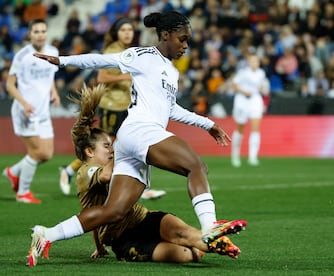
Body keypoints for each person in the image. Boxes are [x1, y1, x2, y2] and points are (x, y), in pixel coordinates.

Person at [29, 10, 247, 265]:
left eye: (188, 40)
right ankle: (210, 226)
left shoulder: (171, 71)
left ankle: (46, 235)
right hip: (141, 130)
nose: (186, 45)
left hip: (133, 139)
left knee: (114, 211)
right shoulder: (143, 56)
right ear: (165, 35)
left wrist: (207, 124)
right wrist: (62, 61)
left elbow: (170, 108)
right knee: (196, 166)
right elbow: (101, 60)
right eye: (182, 39)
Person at [27, 84, 242, 266]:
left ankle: (213, 239)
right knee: (188, 254)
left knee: (190, 237)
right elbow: (101, 190)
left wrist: (99, 247)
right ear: (89, 152)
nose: (111, 150)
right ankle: (47, 234)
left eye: (111, 146)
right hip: (123, 237)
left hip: (143, 218)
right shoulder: (86, 172)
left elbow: (95, 216)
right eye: (106, 146)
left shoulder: (114, 167)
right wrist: (127, 147)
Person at [59, 17, 166, 200]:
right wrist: (126, 78)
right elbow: (101, 77)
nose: (127, 33)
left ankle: (71, 171)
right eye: (123, 30)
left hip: (127, 106)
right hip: (111, 106)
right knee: (112, 147)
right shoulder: (112, 50)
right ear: (117, 33)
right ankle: (73, 171)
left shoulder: (132, 52)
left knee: (124, 145)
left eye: (130, 30)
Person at [2, 19, 60, 204]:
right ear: (30, 34)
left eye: (43, 30)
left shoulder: (53, 52)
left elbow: (50, 75)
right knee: (36, 152)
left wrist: (54, 92)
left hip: (43, 111)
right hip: (25, 111)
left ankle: (13, 172)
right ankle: (22, 193)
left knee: (47, 154)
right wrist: (24, 103)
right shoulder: (22, 56)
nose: (40, 34)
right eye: (36, 31)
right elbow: (10, 86)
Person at [230, 53, 269, 167]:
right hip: (242, 100)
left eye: (256, 61)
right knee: (240, 127)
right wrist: (244, 91)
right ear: (249, 62)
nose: (254, 63)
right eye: (252, 61)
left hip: (255, 100)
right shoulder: (243, 73)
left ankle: (253, 157)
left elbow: (262, 87)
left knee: (255, 128)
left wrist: (262, 90)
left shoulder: (261, 73)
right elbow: (233, 85)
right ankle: (235, 155)